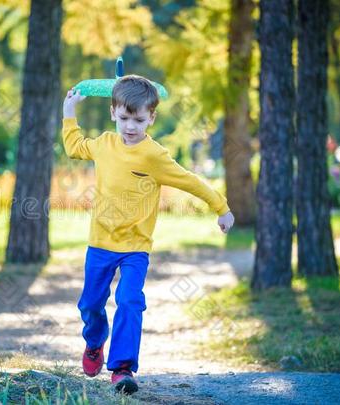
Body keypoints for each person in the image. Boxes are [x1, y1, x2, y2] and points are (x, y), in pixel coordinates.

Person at [62, 75, 235, 394]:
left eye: (139, 119)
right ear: (113, 112)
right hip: (100, 243)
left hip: (135, 248)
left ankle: (122, 367)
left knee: (129, 300)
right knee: (90, 305)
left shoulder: (154, 155)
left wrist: (221, 207)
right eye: (125, 118)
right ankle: (94, 343)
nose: (130, 126)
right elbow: (74, 147)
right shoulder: (103, 144)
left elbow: (189, 180)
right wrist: (69, 111)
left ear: (151, 118)